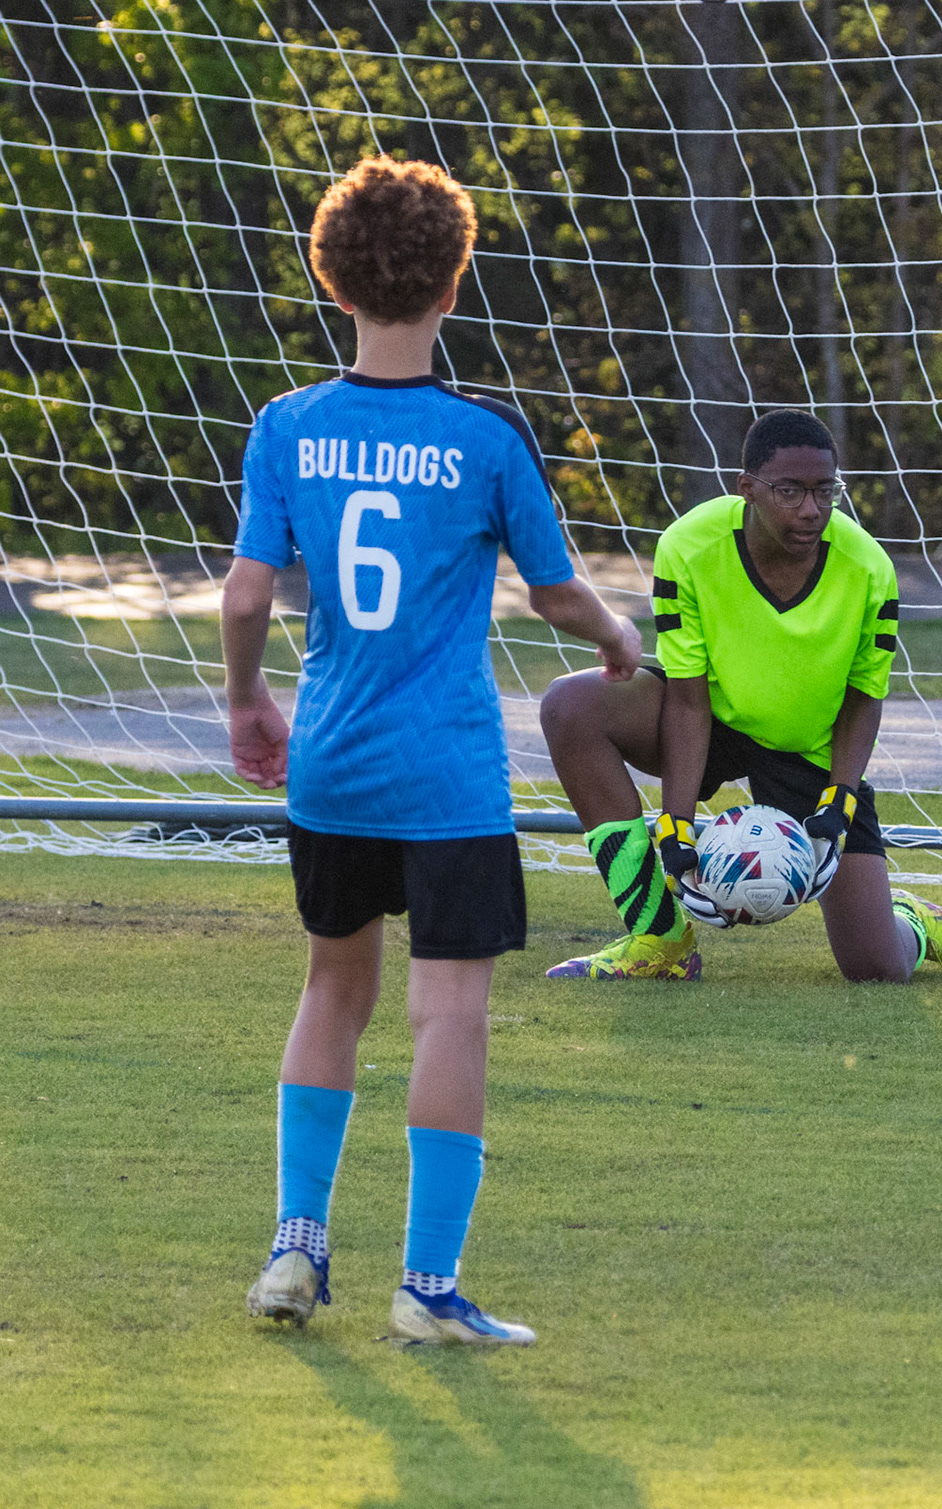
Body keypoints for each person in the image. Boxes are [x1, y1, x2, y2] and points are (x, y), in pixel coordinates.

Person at [226, 155, 649, 1343]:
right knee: (449, 1012)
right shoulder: (485, 438)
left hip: (333, 764)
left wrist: (248, 701)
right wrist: (617, 636)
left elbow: (249, 591)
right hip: (447, 775)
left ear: (332, 280)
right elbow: (555, 595)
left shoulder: (289, 426)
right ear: (455, 284)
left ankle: (295, 1247)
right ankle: (427, 1289)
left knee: (332, 989)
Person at [539, 408, 942, 985]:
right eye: (790, 491)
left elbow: (864, 698)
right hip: (712, 719)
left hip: (806, 748)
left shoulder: (869, 569)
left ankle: (912, 920)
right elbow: (688, 699)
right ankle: (660, 939)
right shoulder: (688, 546)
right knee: (572, 705)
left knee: (876, 968)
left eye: (825, 491)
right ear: (747, 488)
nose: (810, 509)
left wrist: (840, 800)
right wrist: (676, 824)